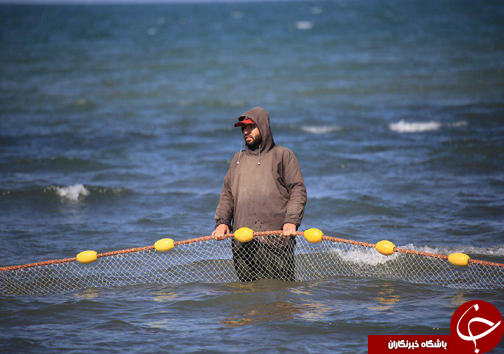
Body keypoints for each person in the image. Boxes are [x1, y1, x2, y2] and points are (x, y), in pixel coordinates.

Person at [212, 107, 307, 281]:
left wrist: (291, 221)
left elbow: (298, 190)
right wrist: (222, 222)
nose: (246, 132)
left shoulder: (283, 155)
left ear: (263, 127)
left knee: (280, 300)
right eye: (243, 128)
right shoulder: (236, 160)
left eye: (251, 127)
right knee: (248, 300)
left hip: (276, 243)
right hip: (242, 245)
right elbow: (227, 195)